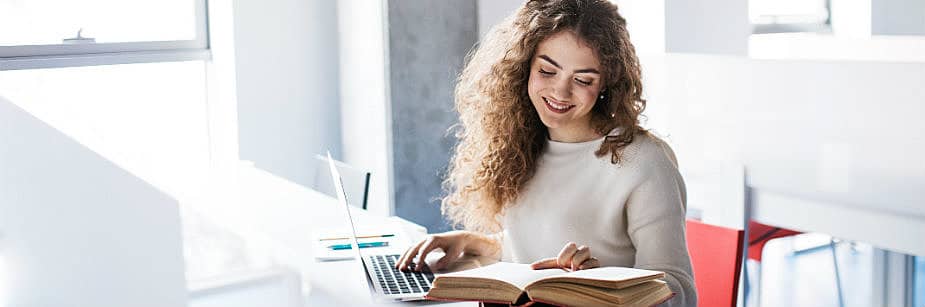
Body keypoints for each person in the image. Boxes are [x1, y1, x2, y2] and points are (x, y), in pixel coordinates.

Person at [396, 0, 696, 305]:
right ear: (524, 65)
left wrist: (594, 289)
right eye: (548, 71)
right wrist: (472, 243)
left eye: (582, 80)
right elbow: (535, 249)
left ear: (607, 82)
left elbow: (680, 292)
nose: (560, 92)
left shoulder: (644, 161)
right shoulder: (522, 139)